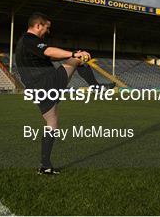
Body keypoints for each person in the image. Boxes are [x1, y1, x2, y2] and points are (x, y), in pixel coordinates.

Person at [15, 12, 114, 175]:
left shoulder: (24, 44)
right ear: (38, 25)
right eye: (46, 28)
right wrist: (73, 54)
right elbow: (48, 51)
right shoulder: (29, 39)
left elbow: (48, 56)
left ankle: (45, 166)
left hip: (35, 89)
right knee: (78, 57)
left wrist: (65, 56)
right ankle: (96, 88)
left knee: (52, 123)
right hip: (46, 82)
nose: (47, 31)